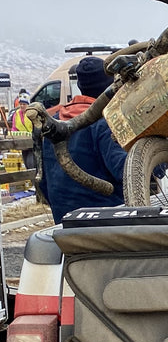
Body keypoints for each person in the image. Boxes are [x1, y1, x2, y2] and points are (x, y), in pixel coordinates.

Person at [37, 56, 127, 222]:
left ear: (80, 86)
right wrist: (158, 158)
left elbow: (42, 181)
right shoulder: (103, 124)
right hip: (107, 222)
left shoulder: (54, 123)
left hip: (65, 221)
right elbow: (125, 171)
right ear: (109, 86)